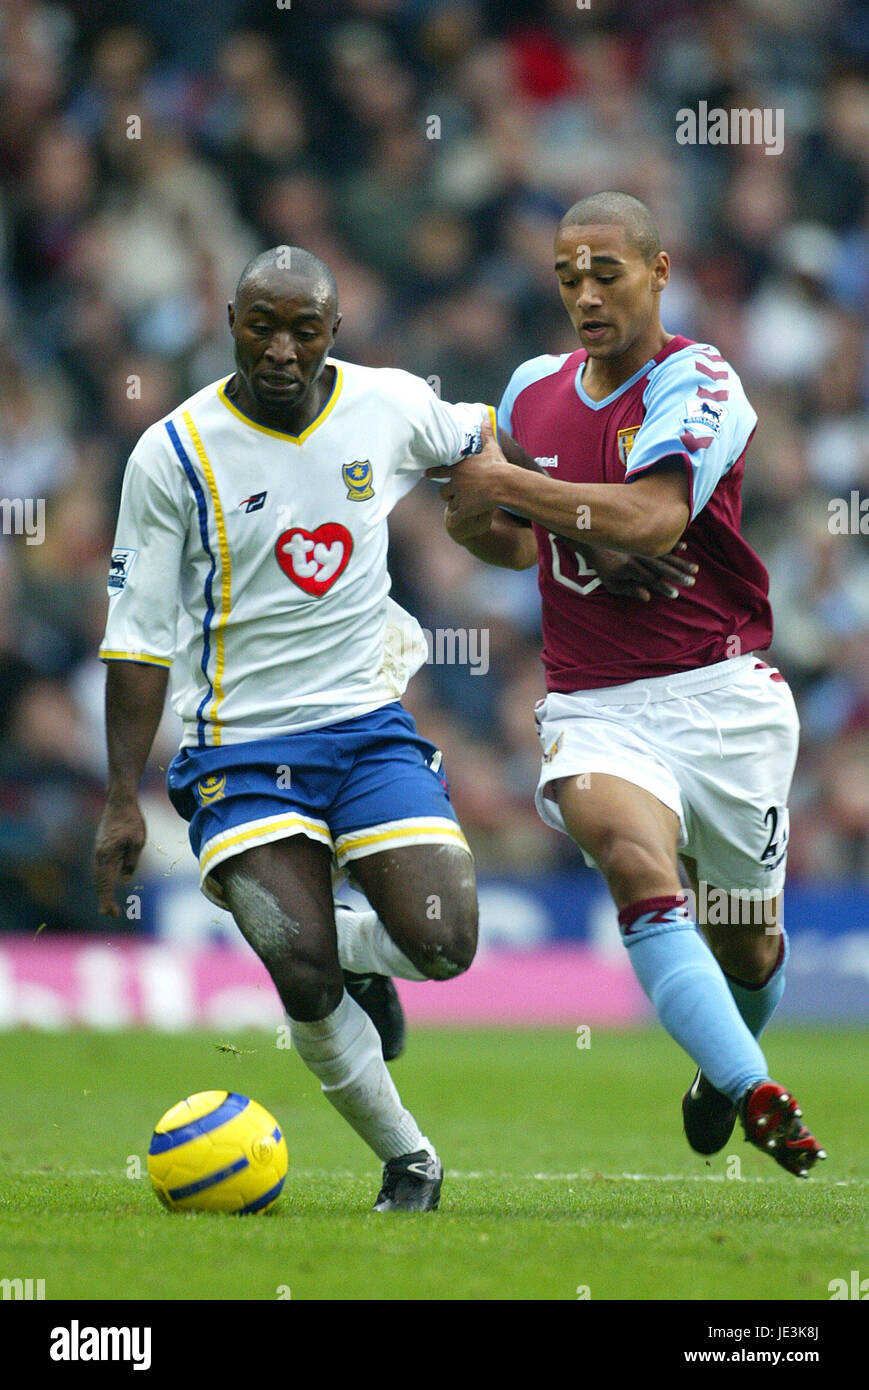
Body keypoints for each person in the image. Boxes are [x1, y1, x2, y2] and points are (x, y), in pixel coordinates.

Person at [93, 245, 503, 1212]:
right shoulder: (174, 452)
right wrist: (120, 801)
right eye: (259, 325)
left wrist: (513, 523)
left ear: (334, 334)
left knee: (446, 944)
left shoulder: (391, 404)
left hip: (365, 724)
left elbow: (478, 437)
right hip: (240, 744)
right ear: (229, 319)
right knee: (300, 968)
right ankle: (410, 1163)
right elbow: (138, 634)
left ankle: (361, 957)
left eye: (302, 330)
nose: (280, 349)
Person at [433, 191, 826, 1178]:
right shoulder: (529, 390)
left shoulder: (698, 381)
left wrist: (514, 490)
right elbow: (494, 540)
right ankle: (754, 1088)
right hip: (593, 703)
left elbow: (651, 520)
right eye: (566, 275)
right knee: (635, 868)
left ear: (657, 270)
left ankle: (715, 1065)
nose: (583, 292)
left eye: (605, 270)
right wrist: (487, 513)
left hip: (722, 697)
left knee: (749, 950)